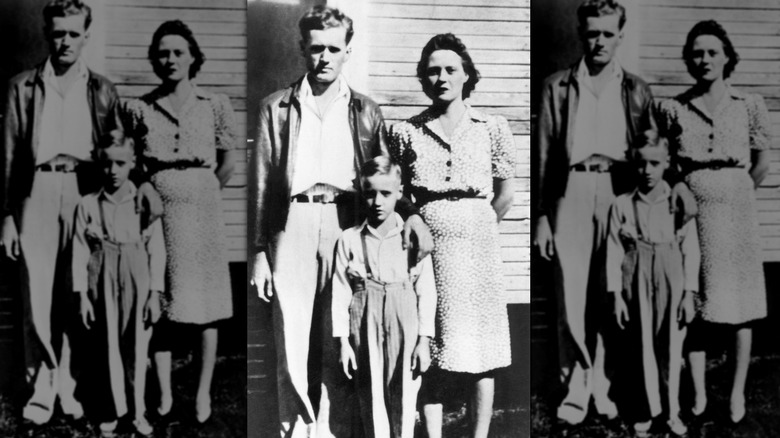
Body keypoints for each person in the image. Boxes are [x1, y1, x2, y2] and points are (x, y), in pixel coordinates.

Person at [250, 6, 432, 437]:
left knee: (338, 333)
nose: (325, 58)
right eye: (316, 49)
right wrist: (260, 250)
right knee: (291, 334)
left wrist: (410, 216)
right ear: (302, 50)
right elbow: (260, 180)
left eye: (334, 48)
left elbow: (383, 173)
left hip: (345, 222)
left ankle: (331, 429)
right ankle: (296, 430)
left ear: (348, 50)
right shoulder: (276, 107)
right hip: (290, 223)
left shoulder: (366, 110)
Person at [533, 0, 663, 425]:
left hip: (618, 191)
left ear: (620, 35)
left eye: (608, 33)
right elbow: (545, 152)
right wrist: (543, 216)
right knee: (570, 296)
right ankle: (574, 390)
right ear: (580, 34)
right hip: (570, 189)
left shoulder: (636, 89)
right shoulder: (558, 85)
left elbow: (652, 149)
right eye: (592, 33)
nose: (599, 41)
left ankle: (604, 388)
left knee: (610, 294)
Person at [0, 0, 129, 425]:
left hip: (83, 191)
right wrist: (7, 215)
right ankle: (40, 390)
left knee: (76, 294)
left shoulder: (102, 89)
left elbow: (117, 149)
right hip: (36, 190)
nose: (65, 41)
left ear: (86, 36)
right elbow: (9, 152)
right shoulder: (22, 86)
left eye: (74, 33)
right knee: (36, 296)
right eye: (58, 33)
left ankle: (70, 389)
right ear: (47, 35)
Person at [388, 33, 516, 438]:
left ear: (466, 75)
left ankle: (479, 434)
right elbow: (395, 192)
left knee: (482, 348)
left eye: (450, 69)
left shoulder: (492, 127)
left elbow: (505, 194)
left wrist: (472, 224)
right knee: (434, 341)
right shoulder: (406, 132)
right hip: (430, 249)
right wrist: (417, 218)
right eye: (432, 71)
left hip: (478, 248)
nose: (441, 77)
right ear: (423, 80)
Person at [655, 20, 771, 424]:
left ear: (727, 58)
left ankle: (737, 394)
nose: (704, 60)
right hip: (693, 215)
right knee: (699, 304)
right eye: (697, 53)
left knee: (742, 306)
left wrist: (735, 189)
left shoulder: (749, 104)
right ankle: (700, 395)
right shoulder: (673, 107)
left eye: (712, 52)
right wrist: (684, 187)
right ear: (689, 59)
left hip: (738, 215)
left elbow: (761, 163)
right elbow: (663, 163)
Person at [122, 20, 238, 423]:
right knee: (165, 304)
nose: (170, 59)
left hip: (203, 213)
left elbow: (228, 161)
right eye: (163, 53)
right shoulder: (138, 107)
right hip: (158, 214)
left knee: (207, 305)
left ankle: (203, 394)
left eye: (178, 52)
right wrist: (148, 187)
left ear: (193, 58)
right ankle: (166, 394)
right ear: (155, 59)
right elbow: (129, 163)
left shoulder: (215, 104)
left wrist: (202, 189)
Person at [331, 157, 436, 438]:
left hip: (405, 316)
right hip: (365, 316)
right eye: (369, 193)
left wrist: (424, 340)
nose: (377, 201)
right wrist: (342, 341)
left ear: (400, 193)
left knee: (404, 391)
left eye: (386, 193)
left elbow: (426, 290)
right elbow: (340, 291)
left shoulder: (412, 238)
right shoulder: (348, 239)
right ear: (360, 192)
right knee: (371, 391)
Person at [71, 130, 165, 437]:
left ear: (132, 163)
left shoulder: (144, 203)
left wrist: (154, 293)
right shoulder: (87, 204)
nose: (113, 171)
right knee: (107, 344)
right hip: (103, 274)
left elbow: (156, 249)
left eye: (121, 164)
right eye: (107, 164)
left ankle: (138, 413)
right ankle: (113, 410)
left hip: (137, 273)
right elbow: (79, 251)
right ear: (100, 163)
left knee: (138, 346)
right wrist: (82, 295)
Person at [606, 131, 699, 437]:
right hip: (637, 275)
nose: (647, 171)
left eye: (655, 163)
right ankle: (648, 410)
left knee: (672, 346)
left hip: (671, 274)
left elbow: (691, 249)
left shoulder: (678, 203)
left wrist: (688, 293)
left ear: (667, 163)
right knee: (642, 345)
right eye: (641, 163)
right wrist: (617, 295)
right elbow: (614, 251)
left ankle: (672, 412)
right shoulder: (621, 204)